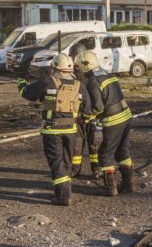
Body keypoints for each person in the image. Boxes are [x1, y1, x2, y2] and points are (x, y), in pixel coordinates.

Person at [18, 53, 90, 206]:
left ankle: (63, 196)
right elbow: (88, 109)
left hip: (52, 130)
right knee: (67, 161)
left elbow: (26, 93)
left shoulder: (47, 82)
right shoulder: (80, 86)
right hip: (71, 130)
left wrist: (21, 81)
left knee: (56, 162)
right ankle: (63, 192)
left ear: (53, 67)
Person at [95, 68, 134, 197]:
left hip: (113, 120)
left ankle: (110, 188)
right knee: (122, 150)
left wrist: (85, 116)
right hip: (126, 115)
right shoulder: (107, 74)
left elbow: (97, 106)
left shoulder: (93, 80)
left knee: (105, 154)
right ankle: (128, 184)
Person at [72, 51, 103, 178]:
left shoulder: (88, 79)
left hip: (84, 117)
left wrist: (85, 116)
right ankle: (94, 169)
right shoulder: (90, 78)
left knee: (89, 143)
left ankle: (78, 169)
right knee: (89, 143)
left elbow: (97, 105)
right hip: (85, 117)